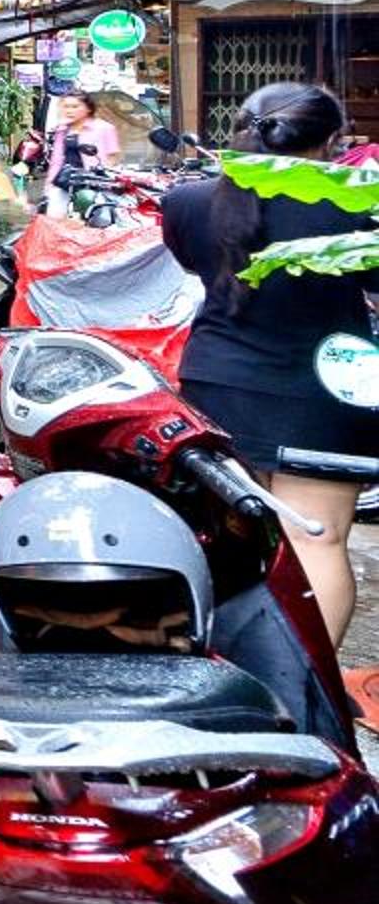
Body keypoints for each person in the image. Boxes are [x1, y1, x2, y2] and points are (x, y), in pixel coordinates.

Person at [158, 82, 376, 653]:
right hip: (323, 392)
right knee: (317, 543)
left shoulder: (185, 203)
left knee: (228, 539)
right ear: (332, 142)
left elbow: (199, 264)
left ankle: (220, 670)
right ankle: (299, 686)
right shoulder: (356, 206)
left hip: (216, 385)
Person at [36, 91, 119, 212]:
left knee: (92, 217)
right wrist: (49, 186)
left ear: (88, 108)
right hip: (65, 181)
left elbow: (112, 157)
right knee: (54, 216)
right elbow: (57, 160)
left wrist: (106, 181)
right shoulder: (62, 129)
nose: (69, 111)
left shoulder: (104, 128)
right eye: (66, 107)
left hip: (93, 183)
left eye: (75, 107)